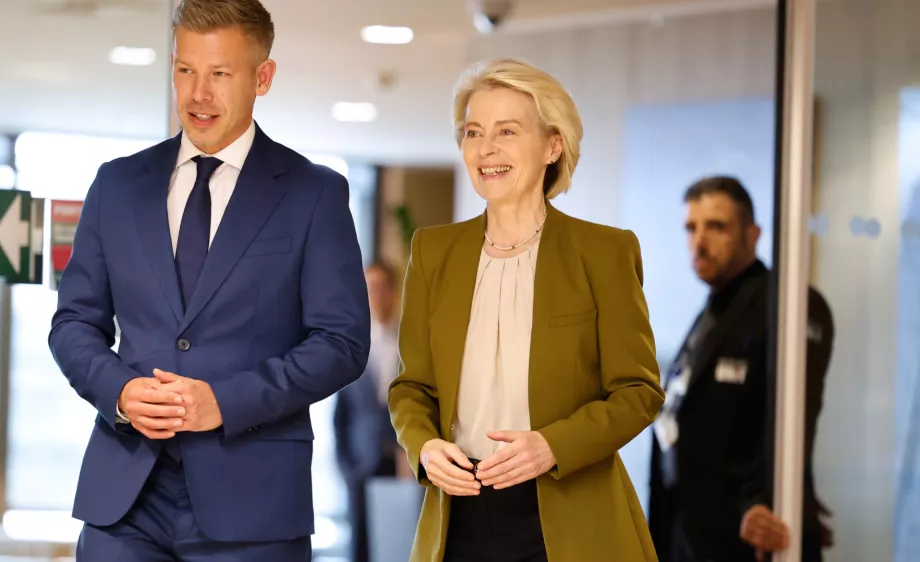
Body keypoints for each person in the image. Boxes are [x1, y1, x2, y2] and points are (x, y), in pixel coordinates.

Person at [48, 1, 370, 560]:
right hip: (125, 501)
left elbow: (341, 343)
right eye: (185, 70)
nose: (198, 94)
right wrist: (119, 391)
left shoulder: (313, 193)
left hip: (255, 506)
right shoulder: (117, 184)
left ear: (262, 77)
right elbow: (74, 321)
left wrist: (225, 401)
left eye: (220, 74)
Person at [388, 58, 665, 562]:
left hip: (570, 518)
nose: (486, 148)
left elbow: (638, 392)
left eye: (507, 131)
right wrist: (424, 447)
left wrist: (553, 445)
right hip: (458, 516)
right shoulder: (432, 250)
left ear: (552, 145)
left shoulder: (603, 252)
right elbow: (411, 387)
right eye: (473, 132)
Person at [647, 176, 835, 562]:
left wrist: (768, 498)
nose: (699, 241)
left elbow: (796, 420)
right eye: (691, 227)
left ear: (753, 234)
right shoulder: (713, 311)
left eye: (716, 226)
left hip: (751, 535)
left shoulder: (787, 303)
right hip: (691, 533)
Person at [333, 261, 404, 562]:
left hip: (400, 463)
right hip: (360, 461)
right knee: (360, 548)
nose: (375, 293)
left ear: (393, 291)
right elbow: (340, 414)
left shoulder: (407, 343)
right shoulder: (349, 346)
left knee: (396, 543)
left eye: (381, 286)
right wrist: (345, 465)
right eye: (369, 287)